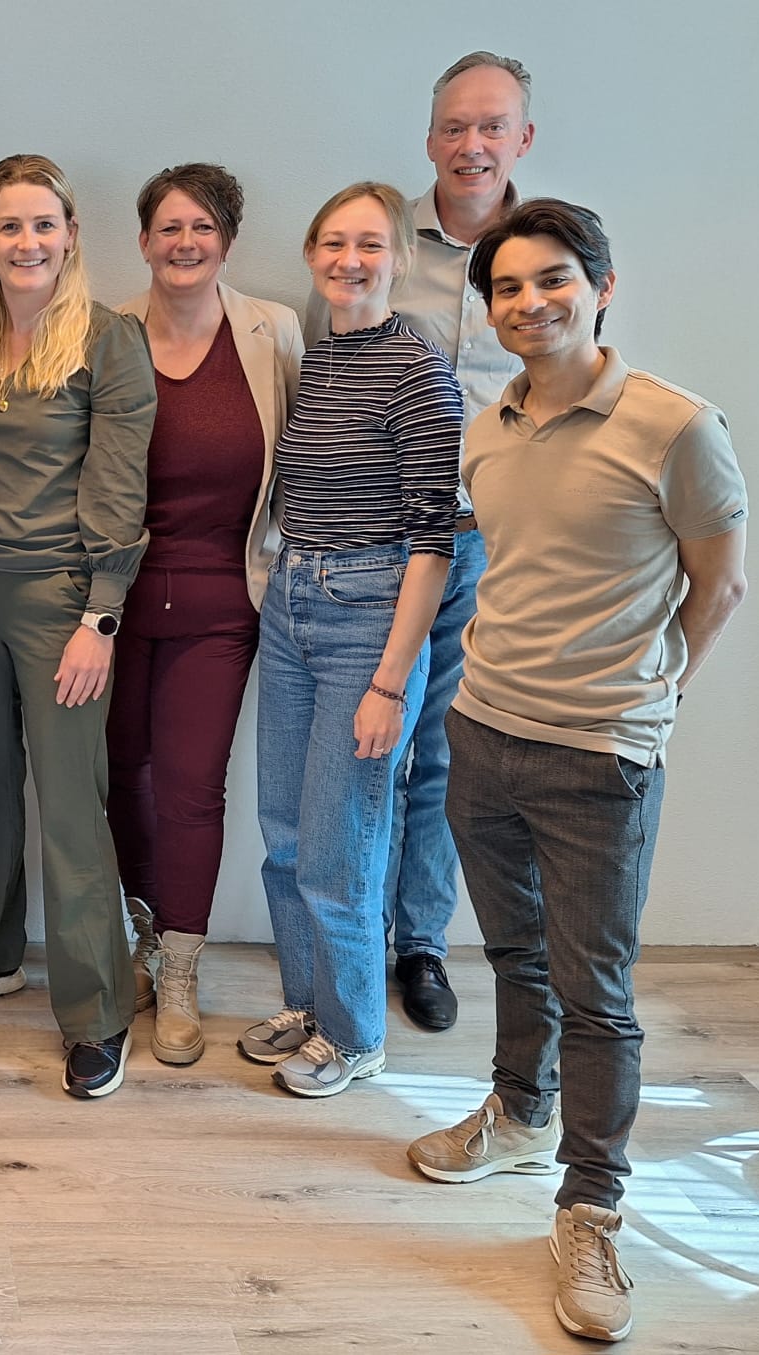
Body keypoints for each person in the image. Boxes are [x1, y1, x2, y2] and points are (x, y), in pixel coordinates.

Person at [406, 199, 747, 1344]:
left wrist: (649, 701)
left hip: (601, 753)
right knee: (513, 952)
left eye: (552, 280)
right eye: (507, 288)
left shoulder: (676, 424)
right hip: (483, 730)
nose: (529, 303)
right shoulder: (487, 424)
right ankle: (520, 1109)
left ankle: (591, 1206)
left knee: (596, 990)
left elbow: (719, 588)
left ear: (602, 284)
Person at [306, 52, 537, 1032]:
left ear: (522, 138)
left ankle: (421, 941)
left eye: (492, 127)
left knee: (445, 749)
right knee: (370, 750)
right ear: (430, 136)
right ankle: (344, 946)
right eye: (455, 126)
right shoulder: (378, 240)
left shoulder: (542, 253)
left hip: (485, 544)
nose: (471, 144)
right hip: (374, 547)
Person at [0, 154, 157, 1099]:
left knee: (70, 808)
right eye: (10, 226)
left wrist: (99, 617)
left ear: (70, 235)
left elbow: (119, 484)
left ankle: (97, 1011)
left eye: (44, 225)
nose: (28, 243)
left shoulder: (107, 341)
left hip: (63, 601)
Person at [241, 182, 462, 1098]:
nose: (350, 260)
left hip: (369, 617)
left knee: (344, 842)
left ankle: (358, 1032)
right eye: (333, 242)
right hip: (292, 602)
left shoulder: (419, 365)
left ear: (399, 259)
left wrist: (390, 679)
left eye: (370, 244)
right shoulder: (323, 357)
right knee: (285, 833)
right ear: (310, 252)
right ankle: (311, 1006)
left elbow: (435, 541)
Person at [111, 164, 302, 1064]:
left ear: (226, 240)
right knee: (119, 777)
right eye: (167, 227)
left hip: (225, 601)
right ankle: (141, 941)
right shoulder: (104, 334)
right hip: (111, 603)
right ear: (143, 240)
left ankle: (182, 969)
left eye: (202, 228)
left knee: (191, 786)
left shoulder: (274, 332)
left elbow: (303, 466)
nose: (184, 243)